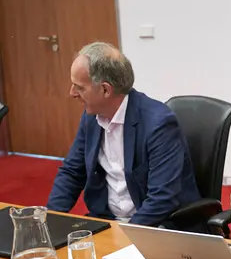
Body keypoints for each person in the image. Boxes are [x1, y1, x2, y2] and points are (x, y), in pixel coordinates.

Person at [47, 42, 201, 228]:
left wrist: (124, 237)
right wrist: (48, 221)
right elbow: (72, 172)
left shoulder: (159, 123)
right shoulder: (91, 118)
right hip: (107, 222)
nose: (72, 93)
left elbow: (162, 198)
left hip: (154, 227)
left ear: (105, 90)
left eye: (79, 87)